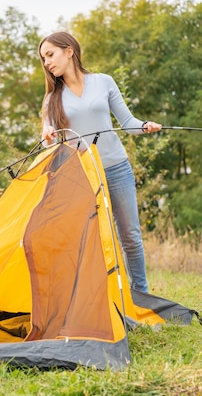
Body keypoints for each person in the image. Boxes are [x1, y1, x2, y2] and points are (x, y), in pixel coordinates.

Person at [38, 31, 162, 293]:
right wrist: (48, 135)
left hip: (116, 168)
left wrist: (145, 126)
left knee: (129, 235)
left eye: (50, 54)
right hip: (81, 175)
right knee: (88, 239)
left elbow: (128, 124)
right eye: (43, 59)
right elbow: (48, 140)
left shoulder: (104, 82)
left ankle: (141, 295)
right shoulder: (52, 99)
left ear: (69, 51)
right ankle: (99, 298)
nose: (47, 62)